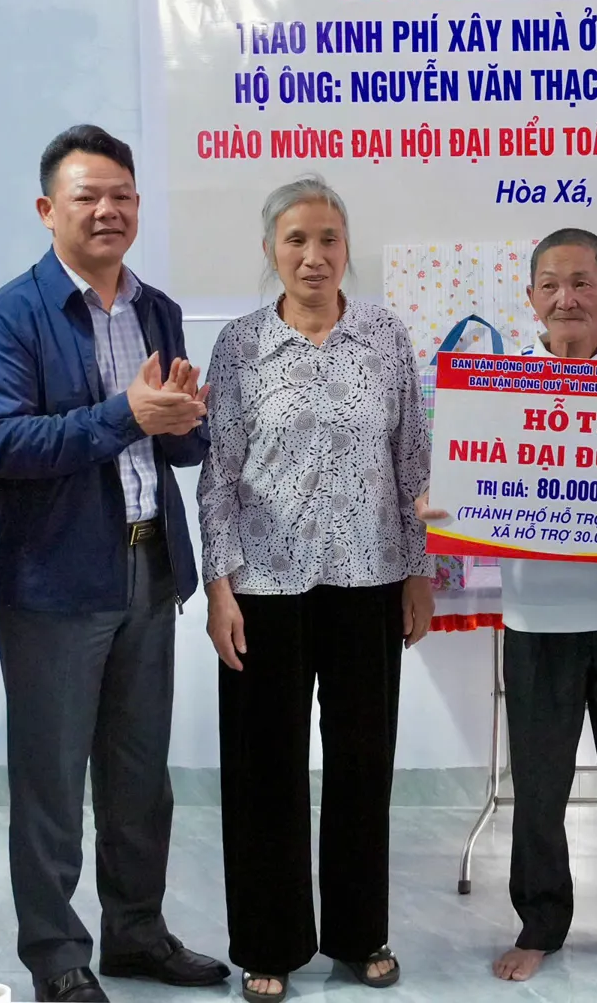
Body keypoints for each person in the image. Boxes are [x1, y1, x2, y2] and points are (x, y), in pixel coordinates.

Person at [0, 125, 226, 1003]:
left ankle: (136, 932)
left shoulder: (157, 307)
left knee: (140, 776)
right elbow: (0, 442)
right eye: (88, 196)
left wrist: (188, 421)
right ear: (49, 209)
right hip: (56, 581)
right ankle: (55, 955)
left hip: (151, 566)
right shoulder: (10, 314)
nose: (108, 209)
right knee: (50, 780)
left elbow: (174, 445)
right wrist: (128, 414)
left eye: (122, 195)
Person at [417, 228, 597, 984]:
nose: (566, 298)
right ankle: (540, 924)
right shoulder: (494, 392)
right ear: (531, 298)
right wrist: (446, 500)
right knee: (538, 787)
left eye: (581, 282)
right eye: (550, 285)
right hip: (536, 618)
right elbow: (466, 485)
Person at [198, 176, 434, 999]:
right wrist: (220, 586)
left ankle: (360, 932)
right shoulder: (239, 345)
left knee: (363, 761)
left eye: (328, 238)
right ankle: (269, 941)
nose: (313, 255)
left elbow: (413, 463)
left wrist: (419, 571)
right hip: (264, 585)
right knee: (264, 767)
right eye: (296, 239)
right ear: (272, 249)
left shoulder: (385, 335)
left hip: (369, 577)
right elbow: (218, 476)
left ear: (346, 247)